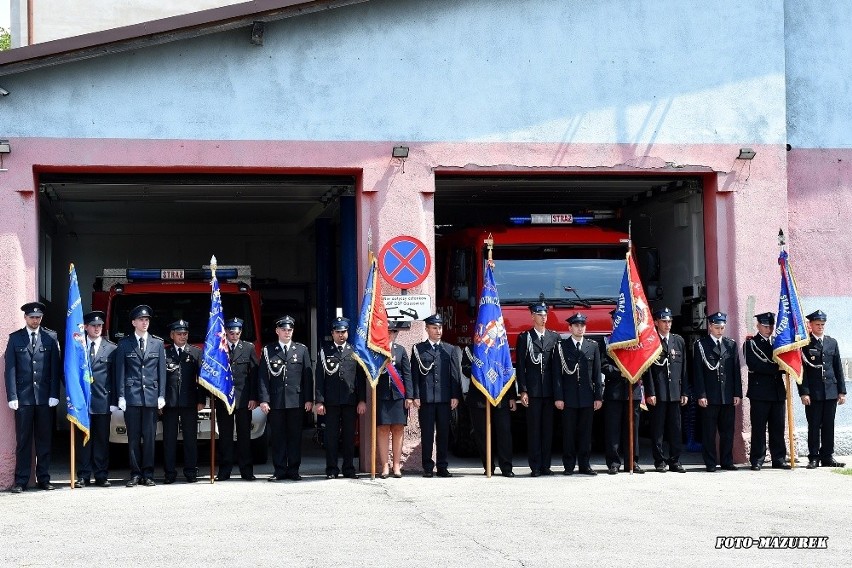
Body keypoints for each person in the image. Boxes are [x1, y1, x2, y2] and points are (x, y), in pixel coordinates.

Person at [5, 301, 61, 492]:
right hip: (23, 399)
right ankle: (21, 480)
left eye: (38, 317)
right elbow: (10, 369)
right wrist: (12, 395)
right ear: (25, 317)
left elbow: (55, 368)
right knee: (23, 442)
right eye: (32, 317)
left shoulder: (50, 338)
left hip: (45, 398)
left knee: (44, 440)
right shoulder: (15, 339)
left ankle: (44, 478)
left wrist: (54, 393)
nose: (35, 320)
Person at [115, 304, 166, 487]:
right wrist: (121, 396)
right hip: (132, 396)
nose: (145, 323)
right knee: (134, 438)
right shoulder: (124, 344)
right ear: (133, 322)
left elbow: (161, 372)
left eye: (147, 320)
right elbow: (120, 371)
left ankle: (149, 473)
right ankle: (135, 473)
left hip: (151, 397)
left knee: (150, 438)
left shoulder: (157, 343)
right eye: (141, 320)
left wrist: (161, 395)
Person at [259, 315, 313, 481]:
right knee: (278, 437)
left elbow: (307, 377)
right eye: (284, 330)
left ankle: (294, 470)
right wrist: (264, 399)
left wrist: (308, 399)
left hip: (296, 401)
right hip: (276, 402)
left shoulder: (301, 349)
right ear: (277, 331)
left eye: (289, 330)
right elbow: (263, 377)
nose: (287, 332)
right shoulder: (268, 350)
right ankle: (280, 470)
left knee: (295, 437)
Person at [315, 316, 366, 479]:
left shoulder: (355, 351)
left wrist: (362, 400)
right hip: (330, 402)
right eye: (338, 332)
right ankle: (331, 469)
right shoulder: (325, 351)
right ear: (332, 333)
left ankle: (349, 469)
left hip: (350, 401)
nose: (341, 335)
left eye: (343, 332)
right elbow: (320, 378)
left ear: (347, 332)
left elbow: (361, 379)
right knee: (331, 437)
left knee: (349, 436)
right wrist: (320, 401)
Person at [411, 313, 462, 478]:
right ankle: (427, 466)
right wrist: (416, 395)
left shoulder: (450, 349)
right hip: (426, 399)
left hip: (444, 399)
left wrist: (455, 396)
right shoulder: (419, 349)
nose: (438, 331)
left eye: (440, 327)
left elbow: (454, 375)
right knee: (426, 434)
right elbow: (415, 375)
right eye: (434, 328)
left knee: (443, 434)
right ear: (427, 329)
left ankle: (442, 466)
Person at [552, 312, 602, 476]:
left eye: (582, 325)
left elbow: (596, 373)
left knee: (586, 433)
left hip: (587, 397)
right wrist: (559, 397)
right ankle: (568, 465)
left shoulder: (593, 346)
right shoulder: (561, 347)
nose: (580, 328)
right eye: (576, 325)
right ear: (570, 327)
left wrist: (598, 397)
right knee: (568, 433)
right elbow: (557, 375)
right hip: (569, 397)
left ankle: (585, 464)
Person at [692, 311, 742, 472]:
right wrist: (701, 394)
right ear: (710, 327)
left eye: (722, 327)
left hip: (727, 395)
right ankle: (711, 462)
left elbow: (735, 371)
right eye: (717, 327)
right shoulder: (701, 345)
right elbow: (697, 373)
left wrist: (737, 393)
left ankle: (727, 461)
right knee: (709, 432)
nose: (720, 330)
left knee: (727, 431)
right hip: (710, 395)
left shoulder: (730, 344)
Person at [515, 302, 560, 477]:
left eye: (545, 315)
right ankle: (535, 466)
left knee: (548, 430)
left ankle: (546, 465)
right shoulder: (525, 337)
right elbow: (521, 366)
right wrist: (523, 390)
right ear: (532, 316)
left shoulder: (554, 337)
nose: (543, 318)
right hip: (533, 392)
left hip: (549, 391)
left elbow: (557, 368)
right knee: (534, 429)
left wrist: (558, 392)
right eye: (539, 315)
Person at [798, 310, 847, 469]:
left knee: (828, 425)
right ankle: (813, 457)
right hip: (814, 392)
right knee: (813, 425)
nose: (820, 327)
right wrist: (804, 392)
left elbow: (838, 368)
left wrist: (842, 391)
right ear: (810, 326)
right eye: (817, 324)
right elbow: (801, 370)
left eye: (822, 325)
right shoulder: (805, 344)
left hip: (830, 391)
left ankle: (827, 456)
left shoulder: (831, 342)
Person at [643, 307, 689, 473]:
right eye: (664, 321)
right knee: (658, 429)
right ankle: (660, 461)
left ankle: (675, 460)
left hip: (675, 392)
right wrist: (651, 392)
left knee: (676, 428)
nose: (667, 324)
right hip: (659, 392)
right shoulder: (651, 341)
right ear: (656, 322)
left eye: (669, 321)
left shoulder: (678, 341)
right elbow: (647, 370)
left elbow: (683, 368)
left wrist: (684, 391)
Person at [75, 310, 117, 488]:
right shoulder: (78, 347)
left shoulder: (112, 348)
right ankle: (83, 475)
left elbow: (116, 377)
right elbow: (68, 372)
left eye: (100, 325)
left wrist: (115, 400)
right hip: (82, 401)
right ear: (85, 327)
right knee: (83, 439)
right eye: (94, 325)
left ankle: (101, 474)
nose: (97, 328)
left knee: (101, 439)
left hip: (103, 400)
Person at [162, 320, 206, 483]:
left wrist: (202, 400)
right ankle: (169, 473)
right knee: (169, 439)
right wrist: (160, 401)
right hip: (169, 403)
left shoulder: (195, 352)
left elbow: (201, 379)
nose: (182, 336)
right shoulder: (164, 353)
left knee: (190, 439)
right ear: (172, 335)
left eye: (185, 334)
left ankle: (191, 472)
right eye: (179, 334)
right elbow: (161, 378)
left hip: (190, 402)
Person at [744, 312, 789, 471]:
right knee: (759, 428)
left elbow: (786, 363)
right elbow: (755, 365)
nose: (769, 329)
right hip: (760, 393)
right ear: (758, 326)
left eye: (771, 326)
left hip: (777, 392)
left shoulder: (779, 343)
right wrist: (779, 367)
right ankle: (757, 459)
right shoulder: (751, 343)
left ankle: (779, 458)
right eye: (765, 326)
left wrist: (787, 367)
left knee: (778, 427)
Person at [216, 317, 259, 481]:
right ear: (226, 332)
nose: (234, 335)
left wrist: (254, 397)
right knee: (225, 436)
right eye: (231, 332)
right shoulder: (219, 348)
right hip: (224, 399)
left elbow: (254, 374)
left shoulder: (248, 348)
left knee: (244, 437)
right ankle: (224, 470)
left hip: (243, 399)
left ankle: (246, 470)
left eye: (237, 332)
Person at [464, 347, 515, 477]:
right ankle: (488, 466)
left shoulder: (501, 345)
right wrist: (482, 370)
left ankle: (506, 467)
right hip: (479, 398)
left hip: (500, 397)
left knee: (504, 432)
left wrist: (512, 396)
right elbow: (465, 368)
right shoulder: (471, 348)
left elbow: (508, 372)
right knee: (482, 434)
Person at [375, 320, 414, 479]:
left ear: (395, 334)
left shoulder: (400, 350)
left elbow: (407, 374)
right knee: (383, 429)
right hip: (382, 396)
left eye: (392, 332)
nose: (389, 334)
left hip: (399, 397)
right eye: (387, 331)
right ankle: (385, 466)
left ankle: (397, 465)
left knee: (398, 429)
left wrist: (409, 396)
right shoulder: (376, 351)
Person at [602, 348, 643, 475]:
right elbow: (603, 365)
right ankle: (614, 463)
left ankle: (632, 462)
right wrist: (620, 372)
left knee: (633, 428)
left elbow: (644, 362)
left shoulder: (637, 341)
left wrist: (635, 370)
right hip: (614, 392)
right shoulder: (608, 341)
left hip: (633, 391)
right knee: (613, 429)